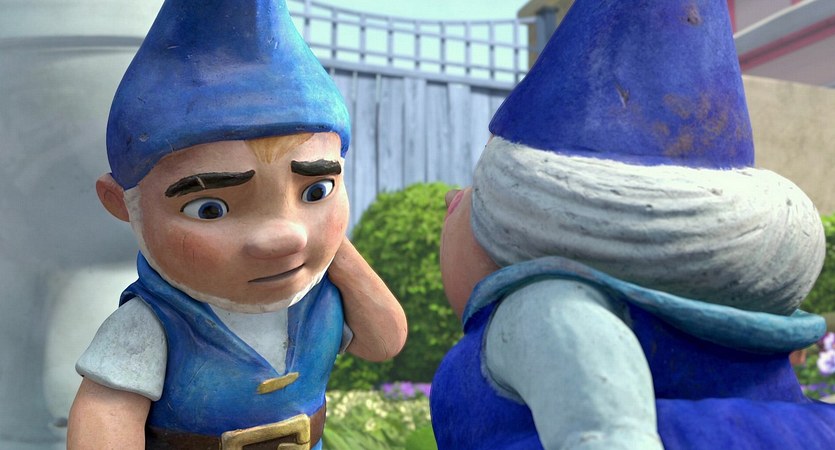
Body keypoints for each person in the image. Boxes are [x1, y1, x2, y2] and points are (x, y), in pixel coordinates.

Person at [430, 0, 835, 448]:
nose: (452, 198)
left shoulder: (542, 307)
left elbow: (603, 431)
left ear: (524, 219)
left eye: (475, 183)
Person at [66, 1, 406, 448]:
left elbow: (383, 341)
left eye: (315, 191)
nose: (283, 236)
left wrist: (330, 243)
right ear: (121, 203)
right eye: (209, 208)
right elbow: (106, 416)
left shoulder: (320, 300)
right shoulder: (152, 324)